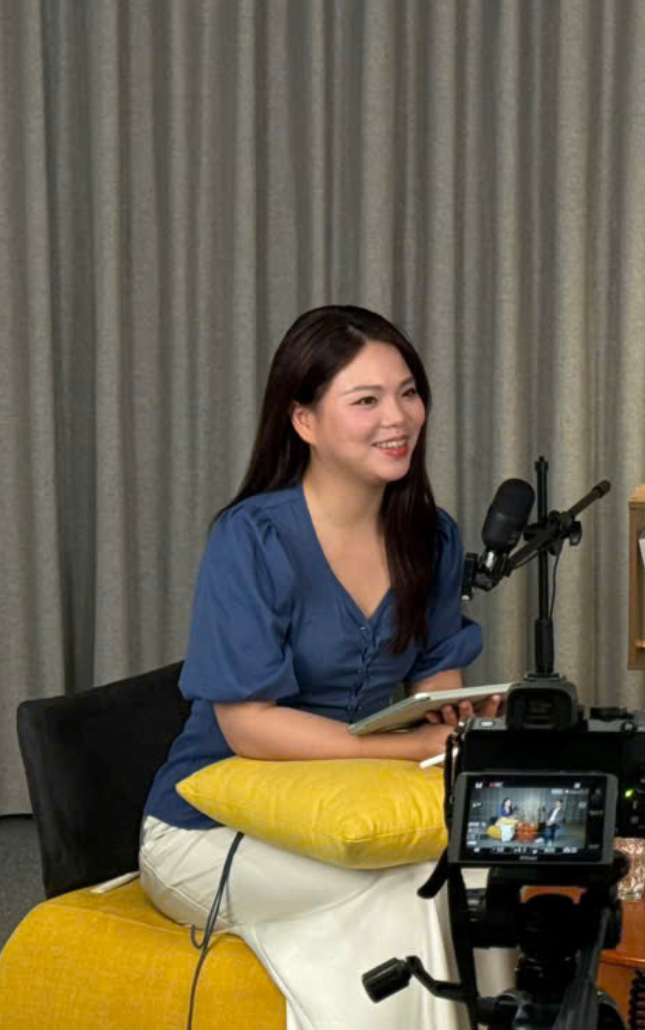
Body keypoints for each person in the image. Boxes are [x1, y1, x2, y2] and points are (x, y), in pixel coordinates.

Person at [139, 305, 511, 1029]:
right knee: (411, 893)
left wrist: (454, 718)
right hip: (207, 828)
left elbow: (437, 676)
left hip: (349, 807)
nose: (397, 418)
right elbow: (248, 728)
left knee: (479, 874)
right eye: (366, 400)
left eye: (408, 392)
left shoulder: (430, 537)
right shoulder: (252, 538)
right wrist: (412, 746)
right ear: (304, 420)